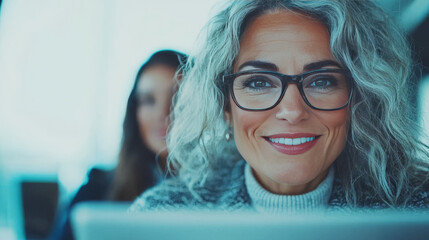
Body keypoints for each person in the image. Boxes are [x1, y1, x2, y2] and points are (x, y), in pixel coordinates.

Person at [130, 0, 429, 214]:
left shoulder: (416, 213)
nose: (293, 110)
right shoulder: (161, 215)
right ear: (224, 105)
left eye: (322, 81)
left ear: (358, 98)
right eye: (259, 82)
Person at [52, 49, 187, 240]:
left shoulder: (224, 194)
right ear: (134, 113)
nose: (162, 114)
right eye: (148, 100)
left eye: (177, 97)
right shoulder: (95, 190)